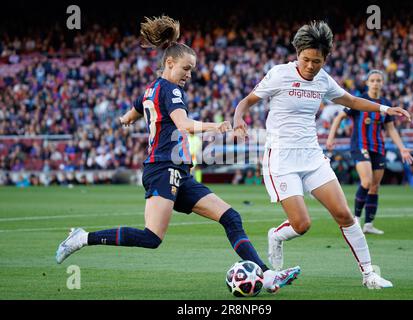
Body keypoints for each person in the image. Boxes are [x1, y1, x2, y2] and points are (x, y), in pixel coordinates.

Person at [55, 15, 300, 293]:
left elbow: (128, 116)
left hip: (179, 173)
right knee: (151, 237)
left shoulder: (151, 89)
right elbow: (183, 125)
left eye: (192, 70)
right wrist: (216, 126)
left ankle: (267, 277)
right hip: (163, 168)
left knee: (231, 218)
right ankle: (82, 238)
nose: (189, 74)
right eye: (186, 68)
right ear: (169, 63)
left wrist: (126, 121)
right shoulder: (170, 90)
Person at [233, 21, 411, 289]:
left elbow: (351, 101)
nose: (310, 66)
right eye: (305, 59)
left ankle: (369, 275)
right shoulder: (279, 74)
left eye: (317, 61)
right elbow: (247, 101)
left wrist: (386, 109)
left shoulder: (324, 79)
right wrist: (238, 120)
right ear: (297, 53)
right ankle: (277, 236)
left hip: (312, 158)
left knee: (345, 215)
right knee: (302, 224)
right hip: (281, 159)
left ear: (325, 58)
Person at [326, 70, 413, 235]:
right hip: (360, 146)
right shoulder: (358, 100)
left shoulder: (386, 103)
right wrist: (331, 138)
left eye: (378, 80)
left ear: (382, 83)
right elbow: (339, 117)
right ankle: (356, 221)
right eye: (372, 80)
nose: (375, 83)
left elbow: (391, 129)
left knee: (374, 187)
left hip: (378, 147)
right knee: (366, 182)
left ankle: (369, 224)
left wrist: (402, 148)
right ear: (367, 83)